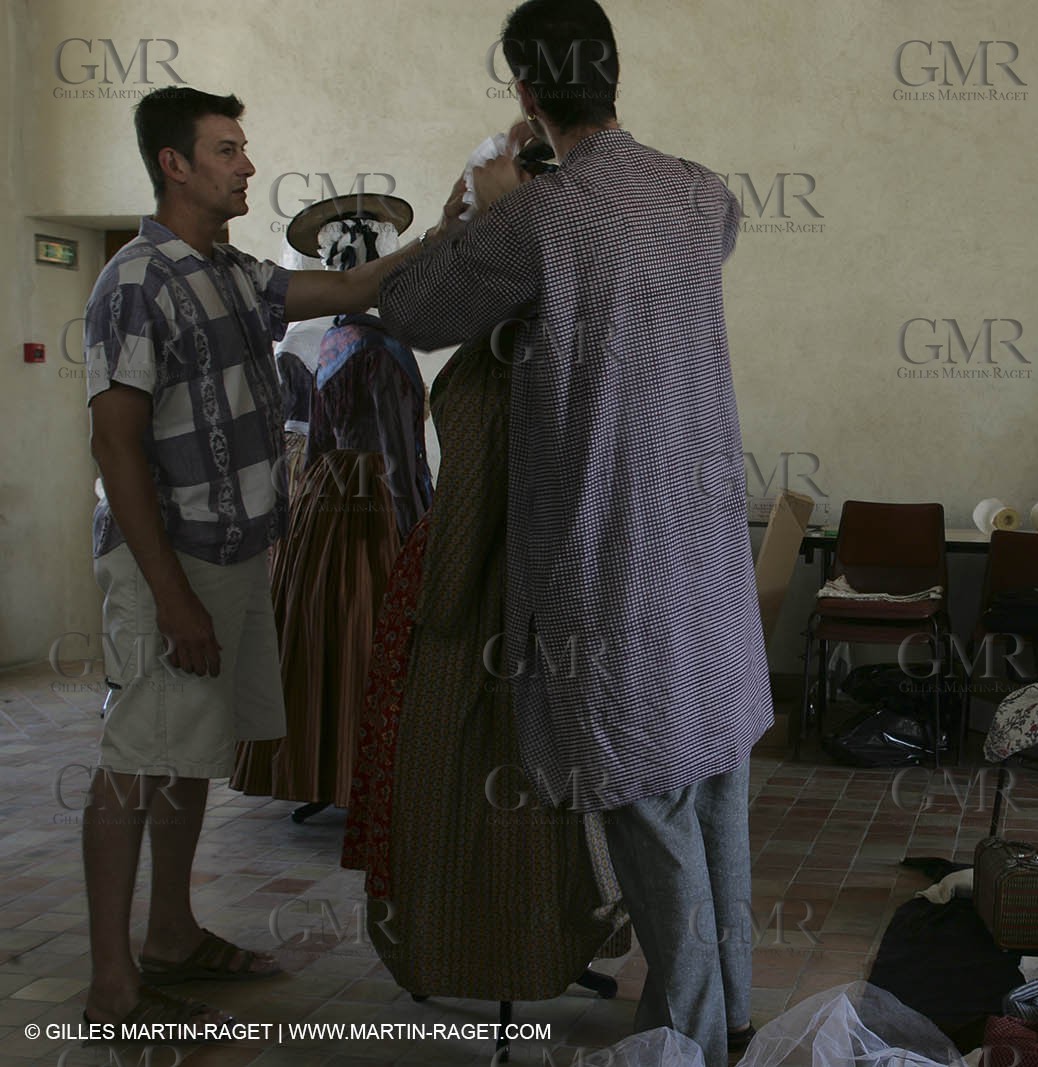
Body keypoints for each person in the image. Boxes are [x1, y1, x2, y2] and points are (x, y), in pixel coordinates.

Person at [376, 3, 770, 1063]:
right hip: (708, 551)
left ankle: (688, 1036)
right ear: (615, 73)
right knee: (717, 781)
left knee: (646, 797)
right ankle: (730, 1011)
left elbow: (410, 312)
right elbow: (702, 240)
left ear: (525, 95)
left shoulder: (537, 221)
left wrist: (480, 205)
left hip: (613, 556)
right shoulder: (702, 195)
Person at [82, 85, 436, 1027]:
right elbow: (116, 446)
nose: (247, 164)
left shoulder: (234, 275)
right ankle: (112, 978)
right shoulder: (134, 283)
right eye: (228, 149)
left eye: (243, 148)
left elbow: (360, 288)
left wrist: (462, 222)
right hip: (171, 564)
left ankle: (171, 932)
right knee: (134, 759)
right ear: (176, 164)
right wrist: (172, 596)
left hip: (235, 560)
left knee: (190, 751)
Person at [341, 120, 631, 1001]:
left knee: (494, 771)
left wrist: (452, 589)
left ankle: (501, 947)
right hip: (533, 571)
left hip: (493, 577)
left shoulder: (530, 337)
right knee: (489, 771)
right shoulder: (571, 316)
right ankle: (502, 944)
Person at [231, 196, 433, 812]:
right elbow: (401, 459)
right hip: (373, 503)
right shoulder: (385, 350)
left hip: (325, 499)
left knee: (320, 634)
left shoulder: (331, 342)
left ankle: (324, 765)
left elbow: (317, 440)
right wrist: (421, 530)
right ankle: (370, 773)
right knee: (372, 632)